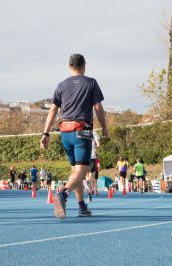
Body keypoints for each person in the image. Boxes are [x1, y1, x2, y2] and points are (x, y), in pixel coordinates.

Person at [40, 53, 109, 219]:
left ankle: (81, 206)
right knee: (82, 169)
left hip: (65, 132)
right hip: (82, 130)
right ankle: (63, 194)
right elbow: (98, 108)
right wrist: (105, 129)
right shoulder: (91, 83)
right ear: (84, 65)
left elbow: (53, 110)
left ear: (69, 66)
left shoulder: (62, 85)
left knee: (75, 170)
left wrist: (46, 133)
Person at [87, 131, 100, 198]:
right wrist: (94, 146)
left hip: (83, 156)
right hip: (92, 157)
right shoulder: (94, 132)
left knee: (87, 176)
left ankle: (89, 188)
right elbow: (98, 144)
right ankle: (90, 190)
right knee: (92, 176)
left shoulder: (80, 131)